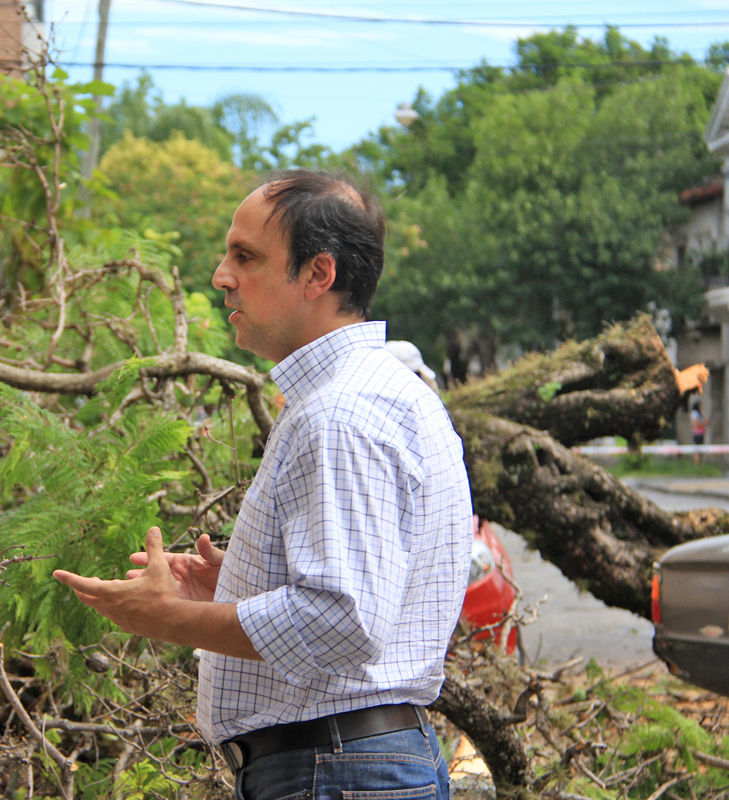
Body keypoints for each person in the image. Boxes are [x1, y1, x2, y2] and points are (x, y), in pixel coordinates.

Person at [53, 170, 472, 800]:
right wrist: (239, 590)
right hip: (350, 762)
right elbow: (364, 599)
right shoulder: (377, 392)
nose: (221, 275)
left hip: (334, 768)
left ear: (317, 275)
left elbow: (343, 622)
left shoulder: (339, 413)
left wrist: (169, 619)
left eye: (245, 257)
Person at [691, 400, 707, 465]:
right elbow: (696, 423)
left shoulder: (698, 414)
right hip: (698, 433)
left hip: (701, 433)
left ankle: (699, 464)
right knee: (698, 450)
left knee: (700, 450)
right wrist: (704, 422)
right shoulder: (695, 414)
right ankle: (697, 464)